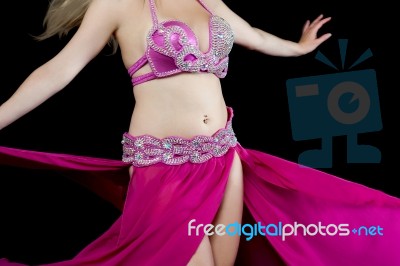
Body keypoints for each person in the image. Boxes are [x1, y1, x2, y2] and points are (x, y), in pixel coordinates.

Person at [0, 0, 398, 265]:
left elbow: (255, 36)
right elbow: (60, 69)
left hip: (225, 158)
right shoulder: (118, 2)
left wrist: (297, 48)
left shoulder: (209, 0)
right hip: (163, 167)